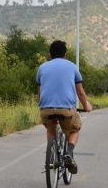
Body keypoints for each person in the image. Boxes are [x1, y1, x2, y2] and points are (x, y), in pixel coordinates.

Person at [36, 40, 91, 174]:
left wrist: (42, 105)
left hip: (46, 108)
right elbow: (80, 92)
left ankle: (51, 153)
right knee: (75, 129)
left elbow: (40, 92)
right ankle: (68, 153)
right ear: (64, 54)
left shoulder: (42, 68)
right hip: (66, 110)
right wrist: (86, 105)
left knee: (50, 128)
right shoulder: (72, 67)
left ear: (50, 54)